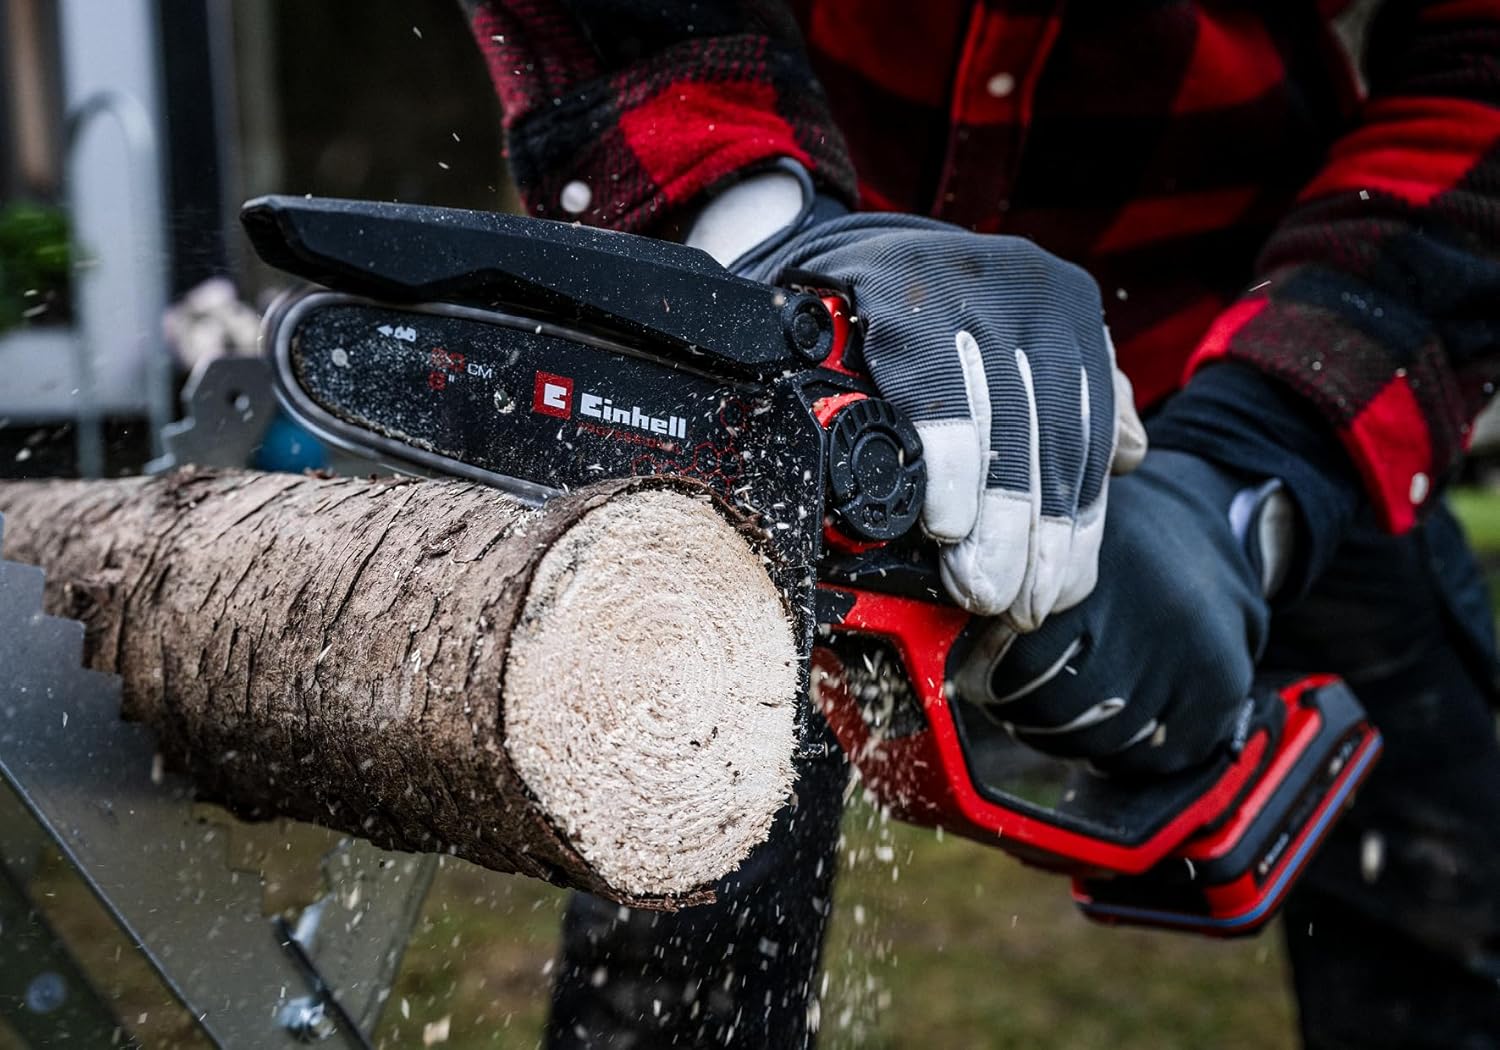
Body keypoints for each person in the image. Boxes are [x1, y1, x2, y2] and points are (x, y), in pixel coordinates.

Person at [457, 2, 1500, 1046]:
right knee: (684, 900)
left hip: (1251, 342)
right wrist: (762, 231)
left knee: (1439, 883)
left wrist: (1251, 476)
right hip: (825, 341)